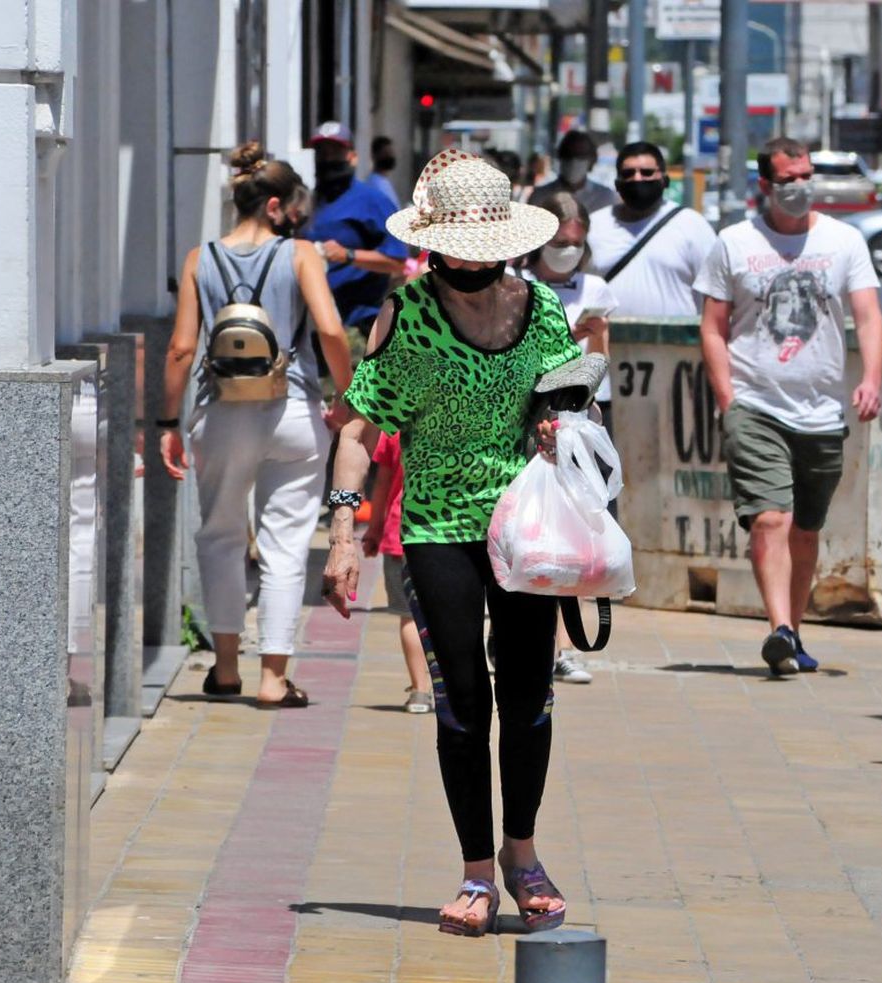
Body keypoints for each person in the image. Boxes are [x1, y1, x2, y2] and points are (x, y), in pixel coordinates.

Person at [321, 151, 582, 937]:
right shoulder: (407, 314)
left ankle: (522, 853)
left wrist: (555, 422)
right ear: (436, 239)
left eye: (486, 239)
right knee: (463, 700)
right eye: (459, 239)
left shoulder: (540, 308)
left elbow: (566, 401)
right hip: (435, 526)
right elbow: (358, 428)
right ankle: (475, 871)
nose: (472, 254)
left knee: (529, 696)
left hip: (525, 529)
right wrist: (342, 531)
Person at [158, 142, 353, 708]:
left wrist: (168, 420)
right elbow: (333, 332)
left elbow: (181, 348)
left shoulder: (200, 258)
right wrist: (348, 397)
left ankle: (224, 669)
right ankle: (273, 677)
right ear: (275, 205)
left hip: (219, 411)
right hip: (291, 411)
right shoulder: (301, 255)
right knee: (287, 544)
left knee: (219, 537)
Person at [695, 137, 882, 677]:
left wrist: (870, 378)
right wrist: (728, 400)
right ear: (765, 186)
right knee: (771, 519)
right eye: (789, 180)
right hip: (755, 403)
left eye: (806, 176)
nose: (801, 187)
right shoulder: (732, 243)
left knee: (805, 528)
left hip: (821, 410)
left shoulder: (844, 240)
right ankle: (778, 628)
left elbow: (869, 317)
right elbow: (712, 327)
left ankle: (792, 634)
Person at [523, 191, 619, 685]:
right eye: (558, 241)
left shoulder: (596, 288)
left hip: (579, 421)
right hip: (527, 421)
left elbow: (598, 362)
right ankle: (524, 637)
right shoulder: (517, 287)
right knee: (530, 530)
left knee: (573, 534)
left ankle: (562, 643)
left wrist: (590, 333)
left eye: (574, 244)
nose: (566, 251)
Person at [302, 122, 409, 345]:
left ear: (352, 157)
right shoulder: (309, 201)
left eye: (335, 152)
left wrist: (349, 255)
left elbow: (397, 261)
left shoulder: (373, 201)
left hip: (356, 327)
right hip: (311, 326)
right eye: (322, 153)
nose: (328, 159)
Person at [588, 141, 716, 317]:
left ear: (664, 180)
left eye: (647, 173)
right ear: (617, 183)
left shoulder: (692, 226)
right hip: (605, 342)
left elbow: (714, 293)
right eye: (628, 173)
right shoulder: (594, 226)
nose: (637, 178)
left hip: (675, 343)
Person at [361, 432, 433, 712]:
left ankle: (419, 690)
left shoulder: (396, 426)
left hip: (400, 531)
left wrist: (374, 527)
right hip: (452, 531)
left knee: (409, 616)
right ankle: (450, 688)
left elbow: (382, 482)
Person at [529, 130, 615, 213]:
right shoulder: (540, 196)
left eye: (580, 156)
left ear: (592, 159)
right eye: (568, 155)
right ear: (560, 157)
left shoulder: (605, 197)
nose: (574, 161)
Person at [368, 135, 402, 207]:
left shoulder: (385, 182)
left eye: (391, 153)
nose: (390, 156)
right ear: (375, 155)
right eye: (386, 153)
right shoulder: (374, 184)